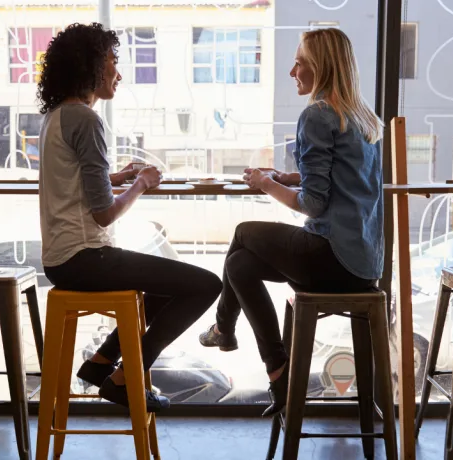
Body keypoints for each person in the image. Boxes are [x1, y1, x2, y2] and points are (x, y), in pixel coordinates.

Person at [199, 28, 384, 417]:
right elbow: (344, 181)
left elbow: (314, 206)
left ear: (321, 68)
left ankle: (224, 329)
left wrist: (266, 183)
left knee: (243, 233)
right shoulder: (362, 116)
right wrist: (290, 177)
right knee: (239, 264)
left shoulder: (318, 115)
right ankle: (277, 370)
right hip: (363, 265)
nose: (292, 71)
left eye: (300, 62)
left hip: (331, 256)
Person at [38, 23, 222, 412]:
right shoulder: (87, 121)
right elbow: (104, 214)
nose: (118, 73)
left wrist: (114, 176)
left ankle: (101, 362)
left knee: (163, 285)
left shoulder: (57, 116)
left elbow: (73, 182)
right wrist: (139, 183)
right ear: (90, 66)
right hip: (86, 257)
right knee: (205, 285)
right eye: (112, 61)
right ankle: (125, 378)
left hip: (60, 260)